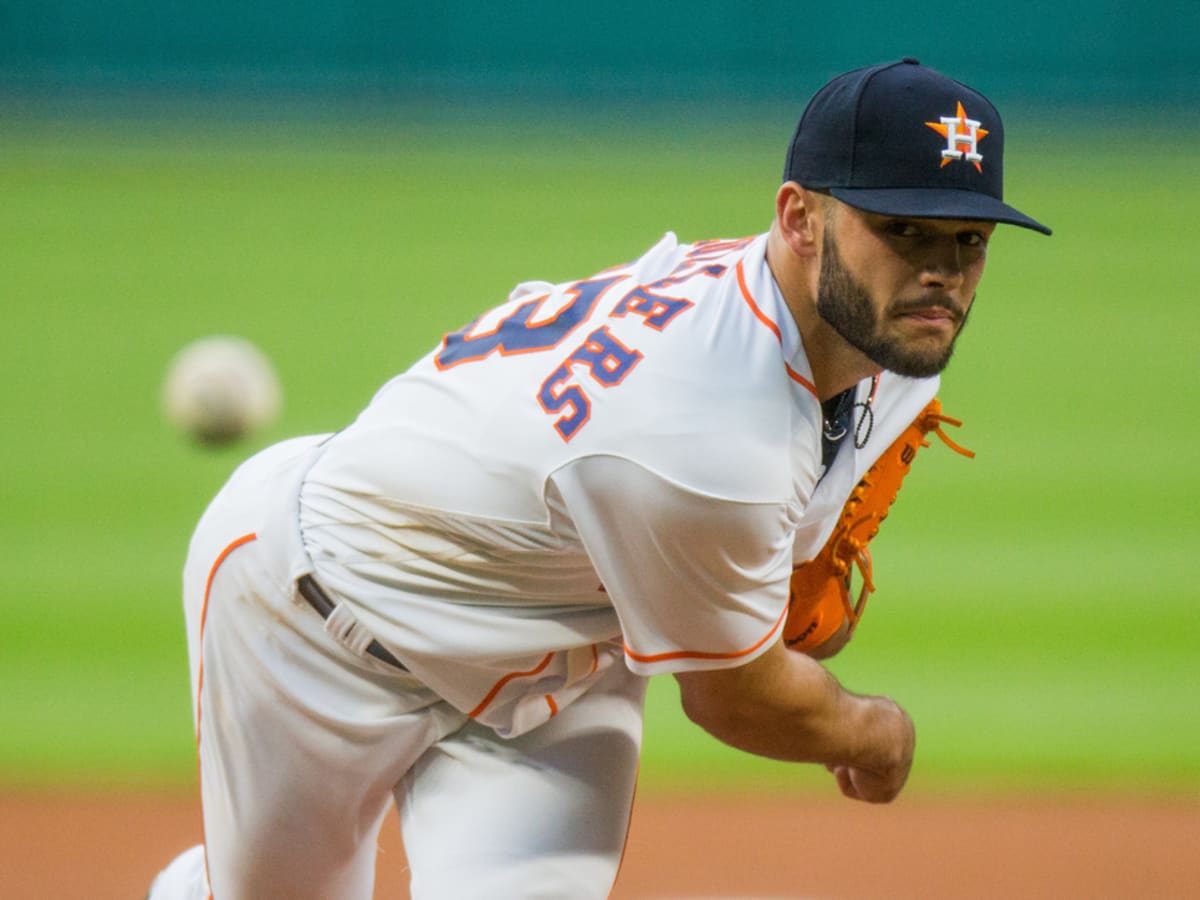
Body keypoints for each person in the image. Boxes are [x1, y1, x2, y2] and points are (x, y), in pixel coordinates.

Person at [149, 58, 1050, 899]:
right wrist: (875, 732)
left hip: (557, 662)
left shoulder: (884, 331)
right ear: (799, 219)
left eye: (969, 239)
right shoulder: (707, 435)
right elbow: (736, 697)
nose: (941, 273)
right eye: (901, 229)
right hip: (311, 617)